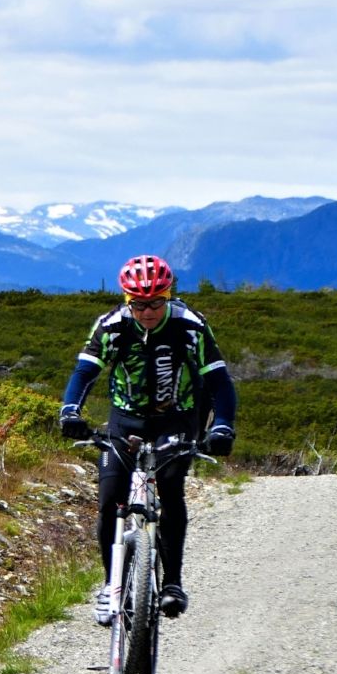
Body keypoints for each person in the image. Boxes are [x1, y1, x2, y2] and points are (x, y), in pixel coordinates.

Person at [58, 254, 236, 625]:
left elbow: (219, 382)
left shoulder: (190, 325)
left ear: (169, 296)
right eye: (139, 304)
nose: (148, 311)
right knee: (110, 499)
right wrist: (70, 411)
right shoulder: (111, 326)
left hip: (178, 417)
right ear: (127, 301)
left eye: (157, 302)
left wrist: (221, 426)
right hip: (125, 419)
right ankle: (111, 584)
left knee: (170, 489)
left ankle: (172, 583)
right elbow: (85, 372)